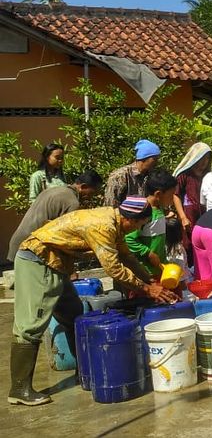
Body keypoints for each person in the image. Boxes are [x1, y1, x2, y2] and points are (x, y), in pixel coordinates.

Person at [10, 197, 177, 406]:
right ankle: (20, 389)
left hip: (57, 263)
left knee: (73, 314)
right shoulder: (103, 225)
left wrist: (149, 279)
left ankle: (85, 371)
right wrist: (146, 290)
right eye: (139, 224)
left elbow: (127, 257)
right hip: (38, 260)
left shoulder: (115, 222)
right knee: (31, 323)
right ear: (130, 219)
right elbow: (113, 268)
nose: (138, 229)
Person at [8, 171, 103, 263]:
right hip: (31, 250)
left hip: (18, 243)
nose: (91, 197)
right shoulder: (72, 202)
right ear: (83, 187)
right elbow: (64, 239)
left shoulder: (54, 190)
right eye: (92, 193)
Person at [125, 169, 177, 280]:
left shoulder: (160, 208)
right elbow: (128, 239)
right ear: (158, 194)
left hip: (160, 269)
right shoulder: (144, 213)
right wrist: (148, 253)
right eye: (171, 194)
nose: (173, 199)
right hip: (145, 272)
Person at [172, 142, 212, 266]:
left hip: (204, 215)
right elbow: (175, 195)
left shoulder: (208, 176)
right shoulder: (184, 175)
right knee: (188, 244)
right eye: (202, 159)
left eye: (207, 159)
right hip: (188, 215)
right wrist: (183, 217)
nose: (204, 163)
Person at [104, 139, 161, 207]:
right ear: (144, 158)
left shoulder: (150, 175)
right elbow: (111, 205)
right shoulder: (120, 176)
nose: (157, 162)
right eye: (154, 159)